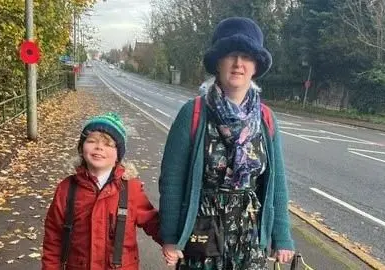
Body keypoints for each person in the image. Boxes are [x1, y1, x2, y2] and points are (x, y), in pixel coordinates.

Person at [159, 17, 295, 269]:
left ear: (255, 66)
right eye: (230, 55)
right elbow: (172, 180)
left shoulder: (265, 118)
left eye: (246, 57)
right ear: (217, 62)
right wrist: (169, 237)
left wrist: (282, 236)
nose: (238, 63)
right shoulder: (194, 113)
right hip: (202, 233)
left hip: (250, 235)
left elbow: (276, 185)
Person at [41, 112, 161, 270]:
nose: (99, 147)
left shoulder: (130, 188)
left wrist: (175, 242)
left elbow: (152, 221)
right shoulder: (66, 188)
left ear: (118, 154)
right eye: (91, 141)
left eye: (108, 144)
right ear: (81, 148)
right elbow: (53, 236)